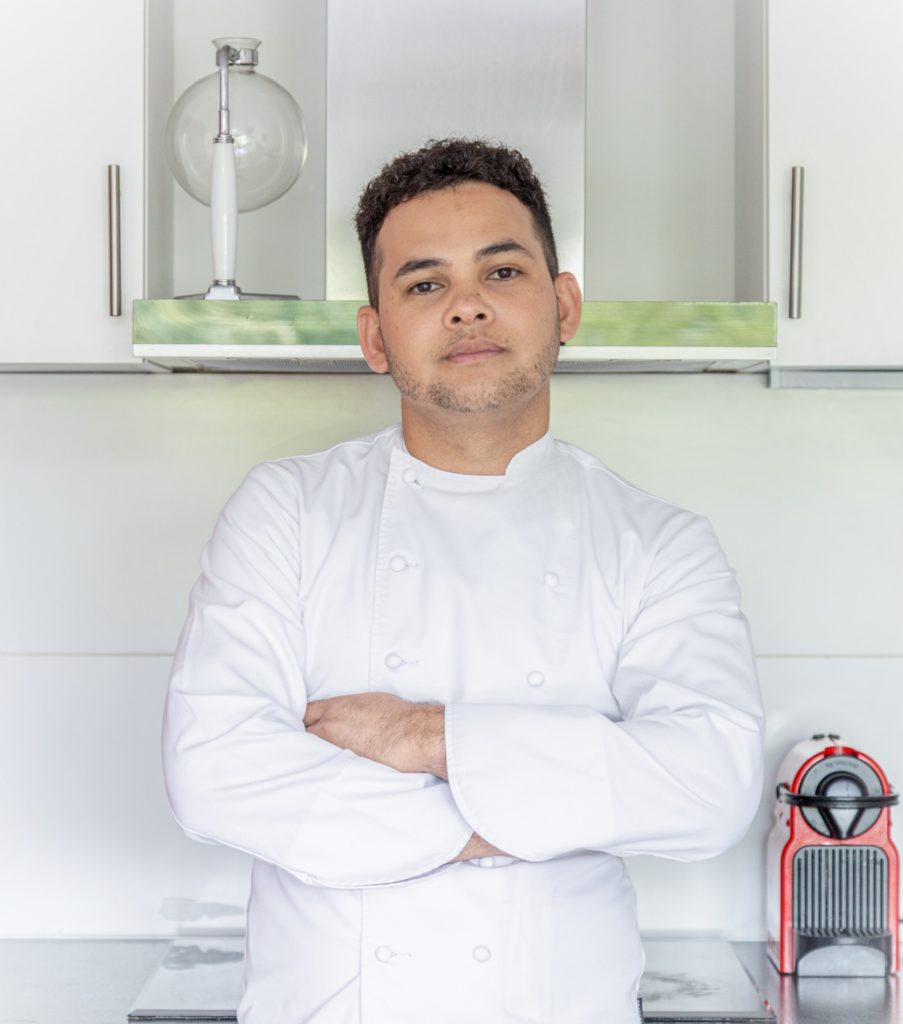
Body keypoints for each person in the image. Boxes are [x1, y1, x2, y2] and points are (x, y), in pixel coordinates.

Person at [162, 138, 765, 1024]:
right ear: (376, 338)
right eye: (424, 284)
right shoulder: (286, 510)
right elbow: (213, 770)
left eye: (503, 272)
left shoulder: (658, 544)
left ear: (564, 305)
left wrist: (428, 736)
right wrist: (531, 811)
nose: (467, 306)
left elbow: (710, 787)